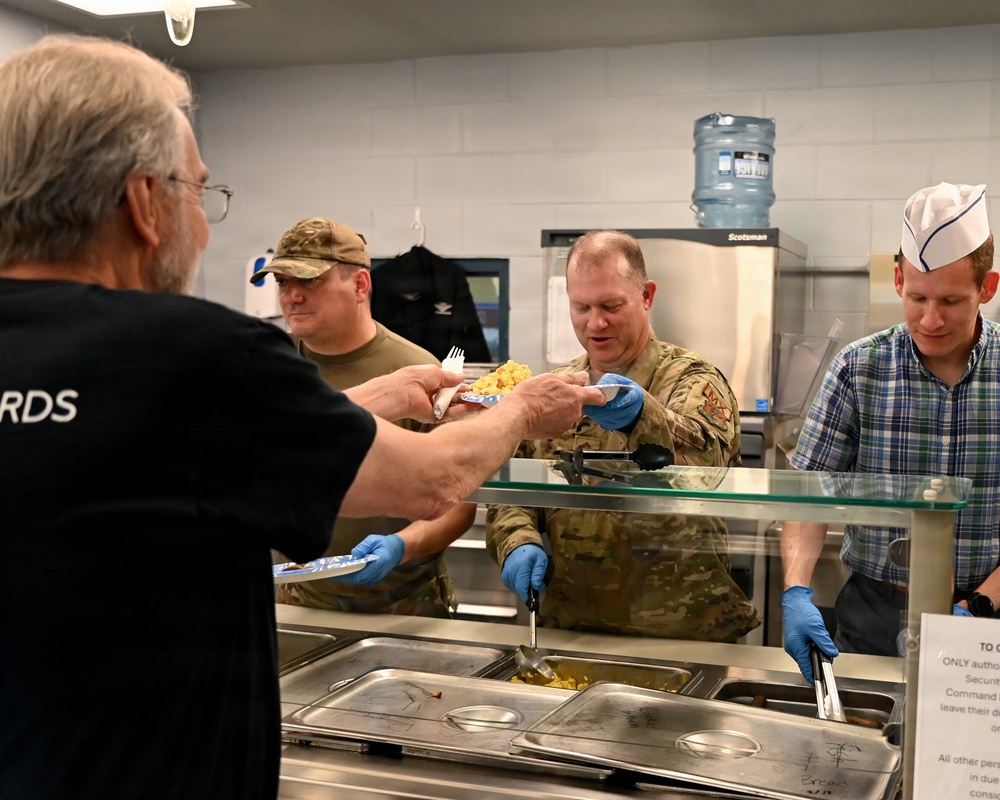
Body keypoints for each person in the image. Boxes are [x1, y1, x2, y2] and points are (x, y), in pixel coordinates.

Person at [0, 34, 607, 800]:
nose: (206, 223)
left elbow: (157, 446)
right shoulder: (200, 355)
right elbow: (433, 479)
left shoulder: (188, 383)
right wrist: (523, 408)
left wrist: (375, 398)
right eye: (198, 191)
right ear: (141, 203)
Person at [485, 229, 761, 642]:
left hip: (680, 634)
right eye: (581, 307)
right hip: (570, 631)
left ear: (647, 296)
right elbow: (513, 492)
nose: (595, 322)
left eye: (612, 305)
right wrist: (517, 541)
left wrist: (642, 418)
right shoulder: (555, 391)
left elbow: (706, 466)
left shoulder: (693, 379)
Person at [781, 182, 1000, 683]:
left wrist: (983, 603)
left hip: (986, 609)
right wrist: (796, 590)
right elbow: (807, 495)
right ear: (898, 280)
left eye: (950, 300)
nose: (930, 319)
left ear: (987, 289)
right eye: (917, 296)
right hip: (874, 610)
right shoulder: (858, 368)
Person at [250, 216, 474, 617]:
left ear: (359, 285)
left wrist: (403, 545)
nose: (291, 296)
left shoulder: (416, 370)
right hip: (296, 601)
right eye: (283, 282)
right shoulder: (268, 368)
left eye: (309, 280)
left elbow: (460, 502)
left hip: (403, 603)